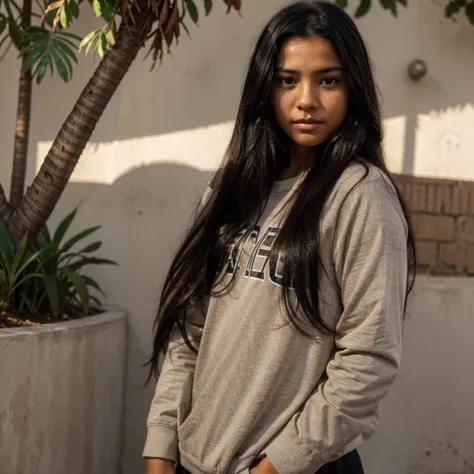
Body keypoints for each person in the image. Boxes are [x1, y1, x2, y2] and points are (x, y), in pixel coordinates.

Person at [143, 1, 416, 473]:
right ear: (265, 88)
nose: (306, 99)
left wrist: (274, 467)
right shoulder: (232, 187)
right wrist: (160, 448)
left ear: (353, 88)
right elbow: (191, 329)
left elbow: (368, 359)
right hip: (198, 460)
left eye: (327, 80)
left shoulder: (360, 196)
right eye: (287, 80)